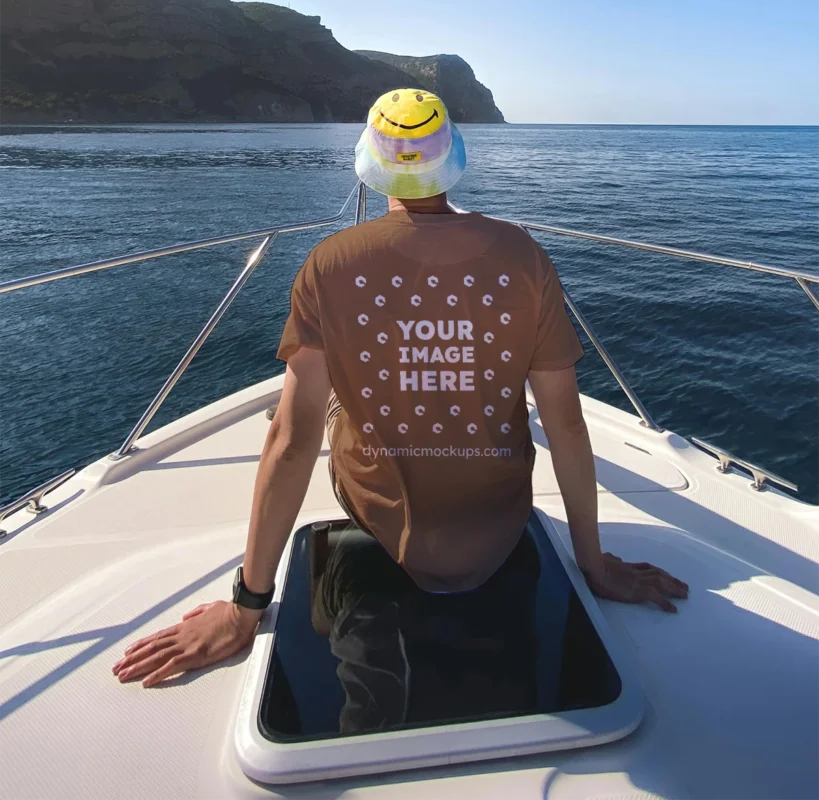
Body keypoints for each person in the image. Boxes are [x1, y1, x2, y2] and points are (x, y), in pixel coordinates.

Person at [112, 88, 687, 689]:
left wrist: (245, 607)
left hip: (386, 532)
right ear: (452, 158)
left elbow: (291, 441)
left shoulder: (328, 264)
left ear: (370, 161)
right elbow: (566, 426)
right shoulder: (525, 256)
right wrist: (593, 567)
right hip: (499, 532)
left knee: (313, 405)